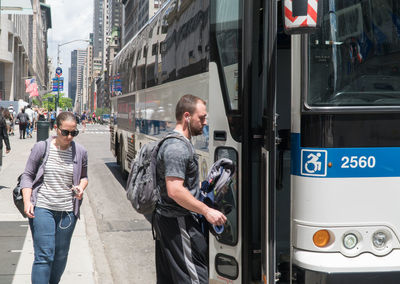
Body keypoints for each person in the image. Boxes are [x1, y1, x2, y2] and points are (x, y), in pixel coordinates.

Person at [153, 94, 227, 284]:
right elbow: (175, 190)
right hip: (179, 223)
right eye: (201, 118)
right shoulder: (177, 148)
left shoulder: (176, 143)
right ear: (187, 116)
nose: (204, 122)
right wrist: (206, 210)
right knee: (195, 279)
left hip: (170, 222)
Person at [20, 111, 88, 284]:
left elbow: (84, 177)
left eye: (74, 132)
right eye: (65, 132)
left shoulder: (80, 151)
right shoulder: (42, 148)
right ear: (56, 128)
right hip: (43, 207)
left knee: (60, 255)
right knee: (44, 255)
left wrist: (80, 187)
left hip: (67, 211)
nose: (70, 136)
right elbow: (27, 175)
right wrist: (28, 201)